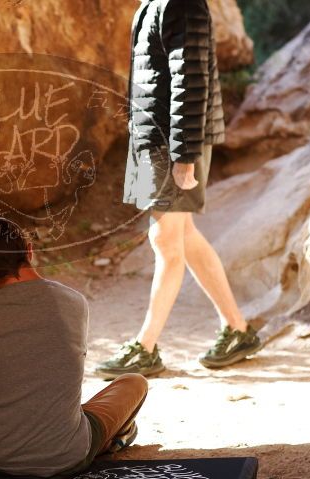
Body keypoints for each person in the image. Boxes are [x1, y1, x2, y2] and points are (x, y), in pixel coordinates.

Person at [97, 0, 261, 379]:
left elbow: (191, 79)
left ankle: (146, 347)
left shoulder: (182, 4)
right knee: (182, 236)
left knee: (166, 240)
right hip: (158, 137)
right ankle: (238, 329)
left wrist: (184, 156)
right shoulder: (153, 4)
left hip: (173, 142)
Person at [0, 218, 148, 477]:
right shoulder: (74, 303)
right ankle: (112, 438)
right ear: (29, 250)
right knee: (134, 383)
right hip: (67, 455)